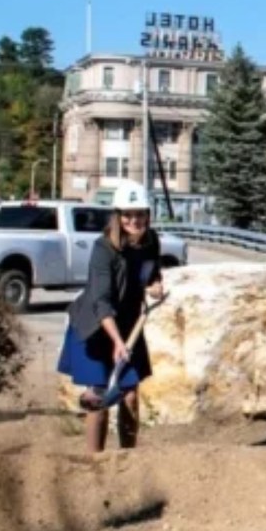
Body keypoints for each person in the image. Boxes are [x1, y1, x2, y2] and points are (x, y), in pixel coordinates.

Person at [57, 180, 164, 454]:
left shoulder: (151, 242)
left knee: (130, 396)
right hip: (96, 326)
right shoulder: (104, 249)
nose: (134, 220)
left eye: (140, 214)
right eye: (128, 215)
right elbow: (101, 301)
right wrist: (116, 341)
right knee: (100, 397)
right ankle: (96, 464)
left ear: (147, 215)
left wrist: (154, 286)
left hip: (129, 326)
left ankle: (128, 459)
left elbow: (151, 274)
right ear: (117, 217)